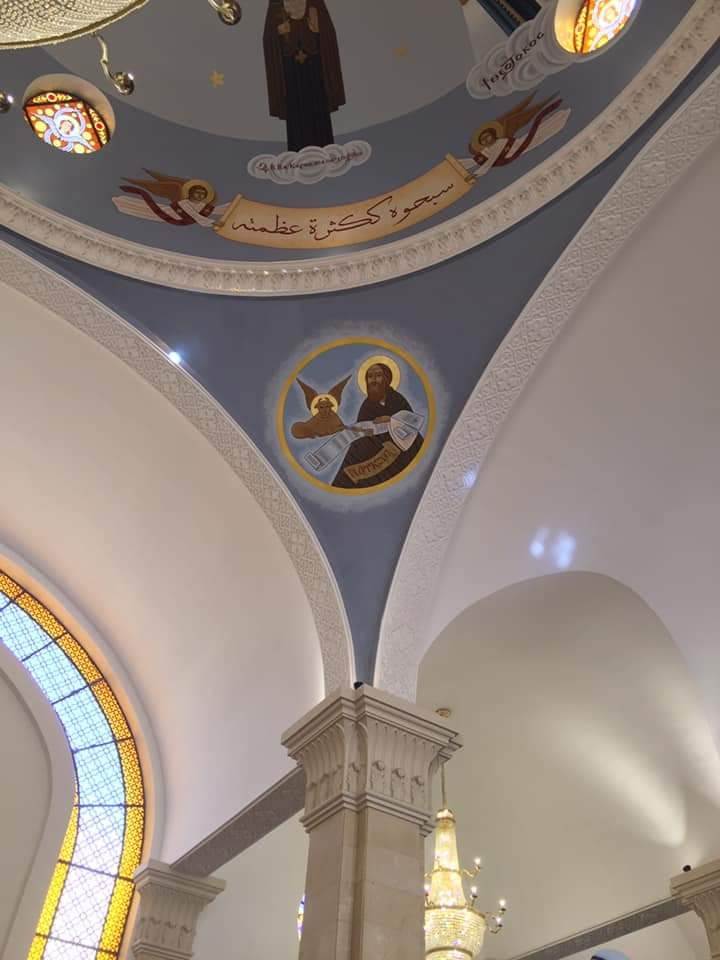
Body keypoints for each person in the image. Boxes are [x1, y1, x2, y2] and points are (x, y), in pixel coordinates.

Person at [263, 0, 346, 152]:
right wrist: (278, 32)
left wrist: (317, 28)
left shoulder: (315, 3)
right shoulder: (276, 4)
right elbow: (269, 38)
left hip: (314, 67)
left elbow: (327, 32)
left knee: (318, 108)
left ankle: (325, 151)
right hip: (290, 69)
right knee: (296, 112)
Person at [332, 363, 423, 489]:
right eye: (370, 377)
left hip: (401, 445)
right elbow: (362, 432)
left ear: (386, 379)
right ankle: (343, 487)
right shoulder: (366, 405)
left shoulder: (397, 398)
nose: (373, 380)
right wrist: (350, 429)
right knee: (357, 449)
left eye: (378, 375)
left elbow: (412, 422)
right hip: (376, 448)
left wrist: (391, 420)